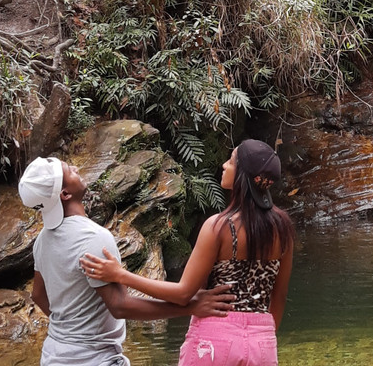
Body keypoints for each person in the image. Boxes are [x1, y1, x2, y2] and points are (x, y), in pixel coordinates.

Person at [81, 139, 295, 366]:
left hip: (215, 338)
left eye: (231, 161)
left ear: (242, 175)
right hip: (262, 341)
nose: (224, 165)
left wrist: (120, 275)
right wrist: (261, 335)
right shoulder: (283, 229)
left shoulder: (219, 227)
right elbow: (278, 298)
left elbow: (183, 293)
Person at [19, 156, 234, 366]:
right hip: (94, 358)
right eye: (69, 170)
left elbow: (38, 294)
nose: (75, 167)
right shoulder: (93, 238)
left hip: (53, 355)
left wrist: (69, 329)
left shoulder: (42, 241)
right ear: (65, 193)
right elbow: (120, 306)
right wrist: (191, 307)